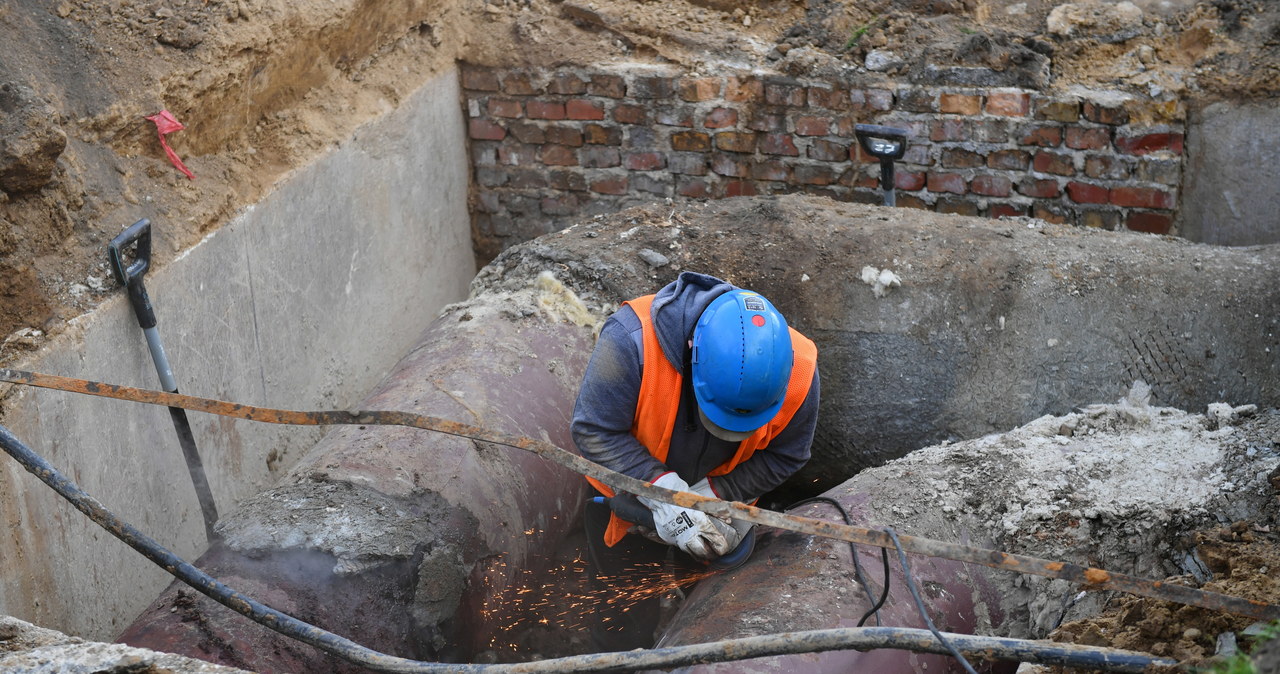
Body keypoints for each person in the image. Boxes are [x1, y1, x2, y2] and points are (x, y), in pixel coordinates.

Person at [571, 271, 820, 649]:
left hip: (719, 512)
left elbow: (788, 454)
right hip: (625, 506)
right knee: (621, 623)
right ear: (692, 352)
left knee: (712, 619)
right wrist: (660, 490)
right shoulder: (631, 340)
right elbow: (593, 429)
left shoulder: (801, 370)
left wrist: (719, 492)